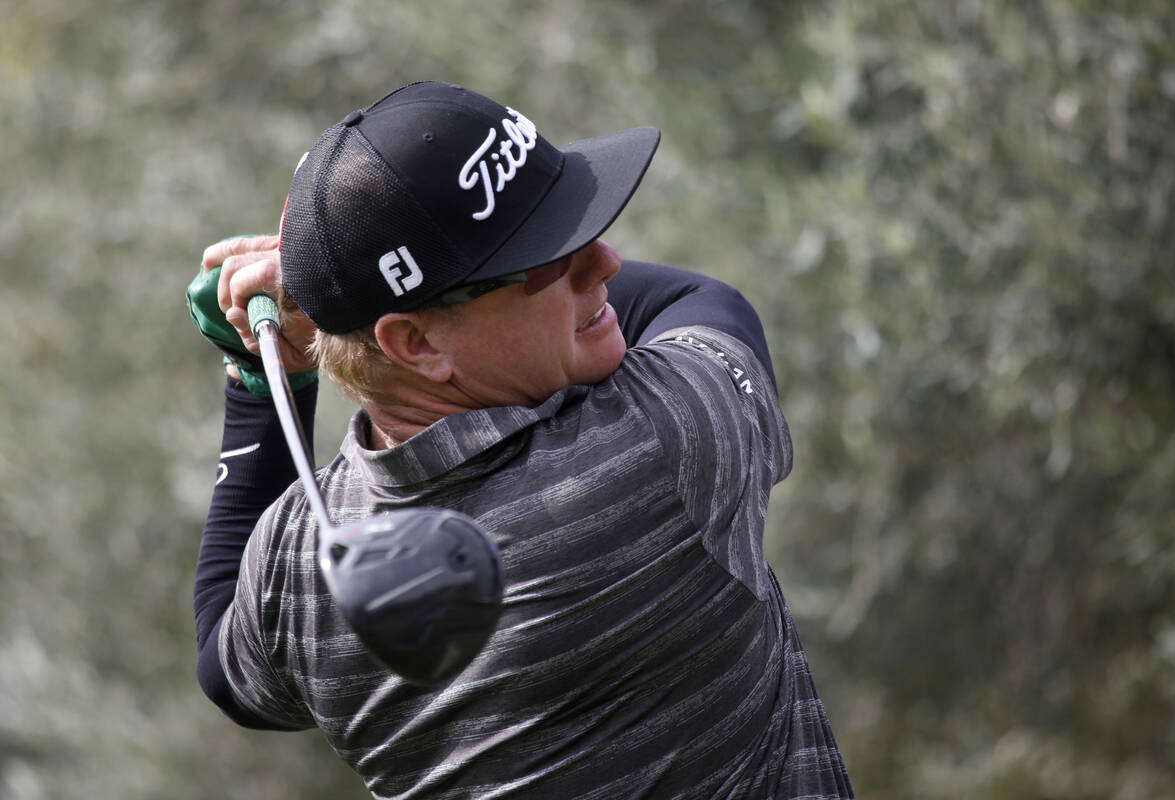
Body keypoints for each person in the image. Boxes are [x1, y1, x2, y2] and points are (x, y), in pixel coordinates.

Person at [189, 80, 854, 799]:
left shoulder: (297, 567)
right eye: (546, 260)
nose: (605, 263)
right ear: (417, 343)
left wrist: (265, 380)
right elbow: (702, 301)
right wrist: (319, 300)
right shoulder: (654, 442)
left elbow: (225, 669)